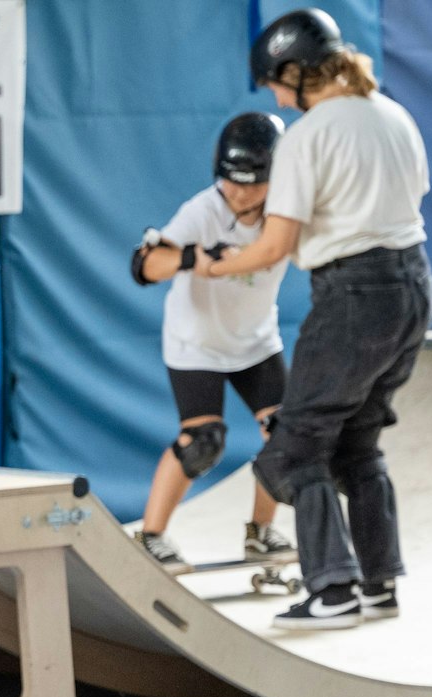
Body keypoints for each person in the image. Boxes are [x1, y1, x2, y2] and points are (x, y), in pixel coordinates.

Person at [202, 8, 432, 630]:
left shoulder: (308, 135)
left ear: (300, 72)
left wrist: (216, 265)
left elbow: (275, 246)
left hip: (354, 295)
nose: (276, 98)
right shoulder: (393, 113)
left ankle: (332, 592)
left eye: (277, 84)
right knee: (357, 441)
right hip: (413, 286)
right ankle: (379, 585)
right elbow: (405, 201)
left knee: (297, 447)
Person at [128, 113, 294, 571]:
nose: (237, 193)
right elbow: (143, 267)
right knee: (202, 441)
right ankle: (152, 536)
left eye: (251, 184)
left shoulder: (286, 213)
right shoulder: (204, 210)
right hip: (195, 342)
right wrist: (189, 258)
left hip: (255, 340)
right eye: (229, 181)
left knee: (287, 434)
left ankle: (260, 533)